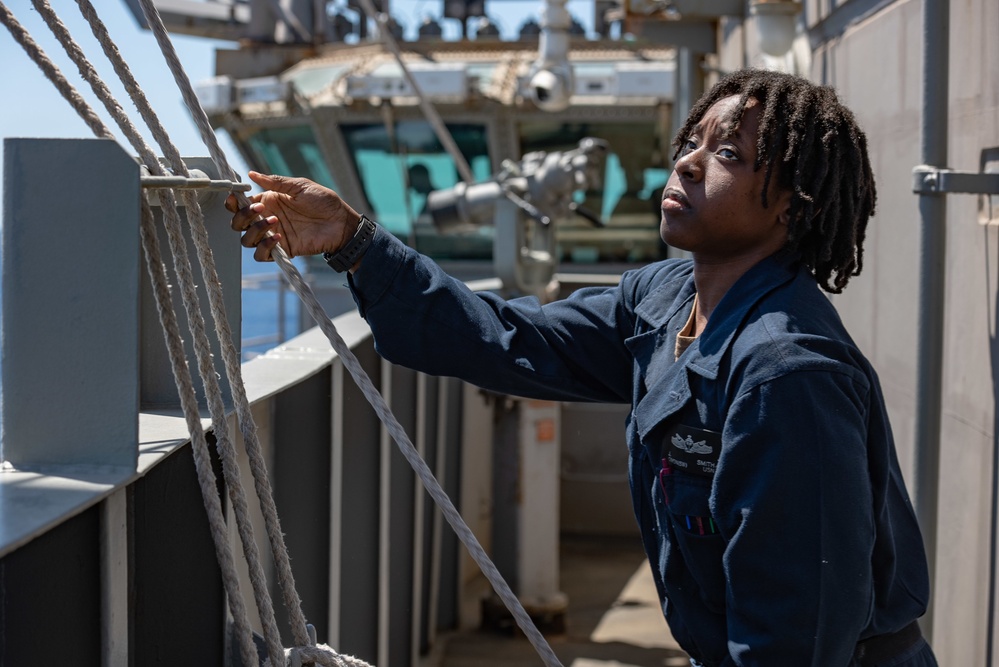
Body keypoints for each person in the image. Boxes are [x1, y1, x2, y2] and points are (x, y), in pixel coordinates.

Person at [229, 69, 938, 666]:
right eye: (689, 142)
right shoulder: (662, 301)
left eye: (726, 154)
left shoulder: (786, 377)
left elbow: (796, 639)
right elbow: (502, 337)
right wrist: (352, 240)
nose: (687, 162)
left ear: (791, 202)